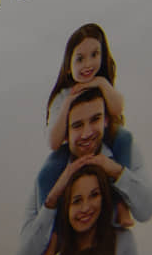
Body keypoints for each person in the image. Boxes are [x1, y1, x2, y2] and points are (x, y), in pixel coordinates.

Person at [13, 87, 152, 255]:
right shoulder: (48, 176)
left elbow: (147, 211)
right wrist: (53, 200)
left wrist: (117, 172)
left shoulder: (124, 152)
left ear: (106, 120)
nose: (87, 133)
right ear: (65, 133)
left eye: (95, 119)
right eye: (77, 125)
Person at [40, 24, 133, 228]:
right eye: (80, 59)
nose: (88, 64)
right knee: (47, 171)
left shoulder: (102, 84)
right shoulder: (63, 96)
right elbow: (53, 143)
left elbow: (117, 109)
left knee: (124, 138)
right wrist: (68, 104)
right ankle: (52, 231)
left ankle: (122, 203)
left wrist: (100, 83)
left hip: (100, 144)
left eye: (94, 55)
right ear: (68, 65)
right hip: (72, 149)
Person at [38, 164, 142, 255]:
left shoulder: (122, 241)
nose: (86, 208)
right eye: (77, 201)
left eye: (94, 195)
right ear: (65, 208)